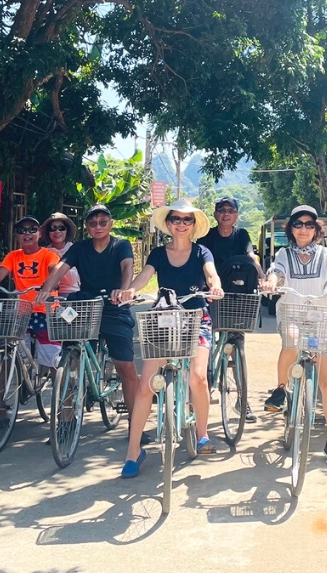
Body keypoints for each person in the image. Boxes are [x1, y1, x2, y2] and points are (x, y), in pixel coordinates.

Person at [114, 199, 224, 478]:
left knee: (198, 377)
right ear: (168, 224)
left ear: (194, 225)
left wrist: (215, 287)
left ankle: (202, 434)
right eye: (176, 219)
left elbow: (212, 275)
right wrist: (129, 291)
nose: (181, 224)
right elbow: (144, 277)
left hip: (196, 318)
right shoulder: (158, 254)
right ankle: (133, 451)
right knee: (144, 387)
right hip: (163, 320)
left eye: (187, 220)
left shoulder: (202, 252)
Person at [259, 205, 327, 468]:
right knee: (291, 338)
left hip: (322, 318)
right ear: (291, 229)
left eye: (309, 224)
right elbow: (276, 272)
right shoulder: (283, 253)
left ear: (316, 230)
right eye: (298, 224)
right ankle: (281, 390)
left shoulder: (326, 254)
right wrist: (271, 282)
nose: (304, 228)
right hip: (292, 313)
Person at [36, 205, 144, 443]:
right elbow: (60, 268)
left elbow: (127, 267)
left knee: (125, 365)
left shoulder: (120, 245)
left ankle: (135, 425)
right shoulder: (80, 248)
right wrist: (46, 289)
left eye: (103, 222)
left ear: (111, 224)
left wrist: (124, 290)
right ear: (87, 227)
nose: (98, 227)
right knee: (70, 361)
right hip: (85, 307)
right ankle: (65, 421)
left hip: (114, 306)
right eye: (93, 223)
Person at [196, 196, 263, 423]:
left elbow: (251, 256)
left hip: (236, 296)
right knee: (205, 345)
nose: (226, 214)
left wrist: (262, 278)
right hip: (213, 295)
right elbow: (202, 264)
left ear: (236, 215)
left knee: (236, 346)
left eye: (231, 210)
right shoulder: (207, 238)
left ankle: (243, 401)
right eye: (222, 210)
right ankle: (201, 390)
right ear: (215, 214)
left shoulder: (242, 235)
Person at [0, 216, 61, 370]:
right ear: (17, 235)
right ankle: (9, 389)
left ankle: (58, 392)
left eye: (32, 230)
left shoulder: (49, 255)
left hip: (46, 310)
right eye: (22, 231)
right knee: (15, 354)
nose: (27, 233)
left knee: (53, 360)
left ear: (40, 233)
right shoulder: (13, 256)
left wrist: (49, 286)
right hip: (22, 311)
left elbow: (54, 270)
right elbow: (0, 273)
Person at [42, 212, 81, 296]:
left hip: (71, 294)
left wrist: (61, 258)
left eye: (61, 228)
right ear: (48, 232)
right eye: (53, 228)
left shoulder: (74, 249)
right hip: (49, 294)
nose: (57, 231)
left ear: (67, 231)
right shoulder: (45, 251)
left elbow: (72, 280)